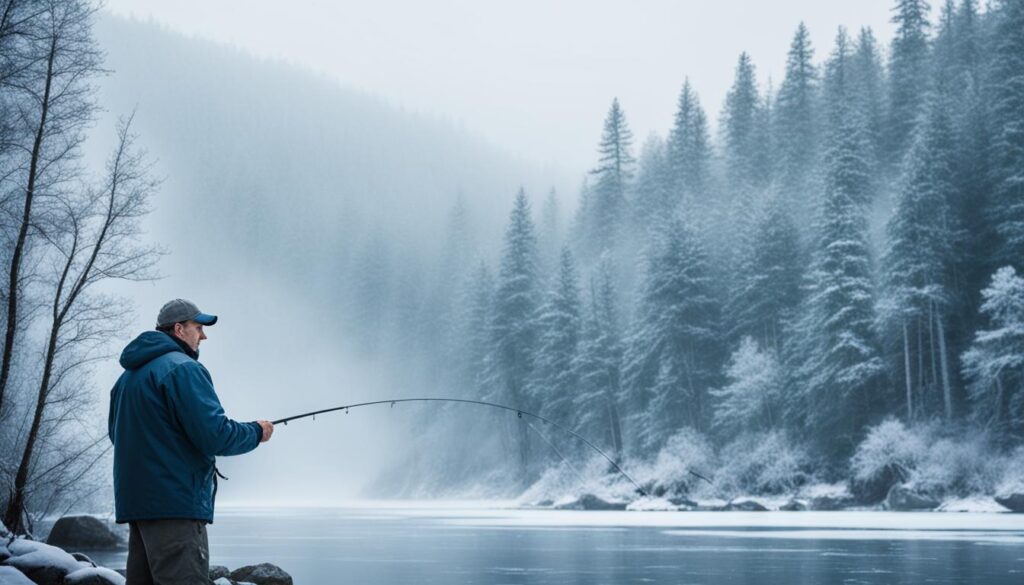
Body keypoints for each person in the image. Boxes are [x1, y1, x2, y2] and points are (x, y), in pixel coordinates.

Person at [108, 299, 274, 584]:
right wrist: (256, 432)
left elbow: (117, 436)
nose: (204, 336)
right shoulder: (183, 369)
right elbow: (215, 435)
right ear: (179, 329)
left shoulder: (127, 379)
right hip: (175, 506)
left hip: (138, 509)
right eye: (199, 328)